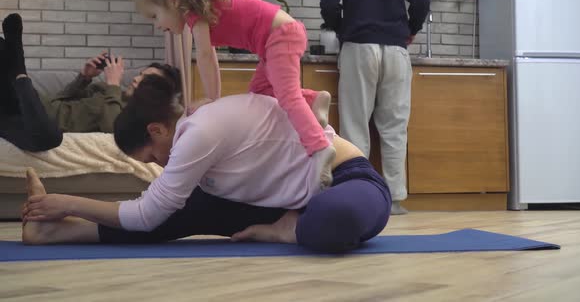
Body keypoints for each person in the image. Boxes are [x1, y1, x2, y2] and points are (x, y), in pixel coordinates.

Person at [21, 73, 392, 253]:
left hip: (346, 180)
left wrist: (68, 200)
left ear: (157, 130)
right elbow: (150, 213)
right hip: (282, 200)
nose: (158, 166)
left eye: (151, 156)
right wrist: (62, 213)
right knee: (176, 211)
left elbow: (145, 213)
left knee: (333, 220)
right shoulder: (192, 134)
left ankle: (290, 230)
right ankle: (54, 232)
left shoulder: (199, 131)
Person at [133, 0, 336, 189]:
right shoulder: (203, 8)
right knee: (260, 95)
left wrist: (212, 99)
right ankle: (313, 100)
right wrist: (213, 98)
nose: (157, 25)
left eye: (155, 16)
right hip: (274, 37)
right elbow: (209, 56)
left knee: (287, 96)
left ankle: (318, 147)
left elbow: (205, 56)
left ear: (173, 0)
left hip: (281, 35)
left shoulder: (196, 14)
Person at [320, 0, 430, 214]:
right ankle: (394, 200)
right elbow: (421, 1)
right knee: (395, 128)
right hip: (396, 49)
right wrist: (411, 29)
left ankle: (359, 195)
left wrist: (344, 29)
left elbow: (328, 4)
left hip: (357, 47)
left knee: (355, 125)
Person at [0, 13, 180, 152]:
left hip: (32, 123)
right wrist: (84, 77)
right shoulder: (102, 88)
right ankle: (18, 69)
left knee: (47, 137)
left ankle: (19, 68)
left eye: (145, 79)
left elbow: (113, 130)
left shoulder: (133, 114)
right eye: (140, 74)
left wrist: (114, 84)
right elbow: (60, 98)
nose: (136, 78)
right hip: (29, 104)